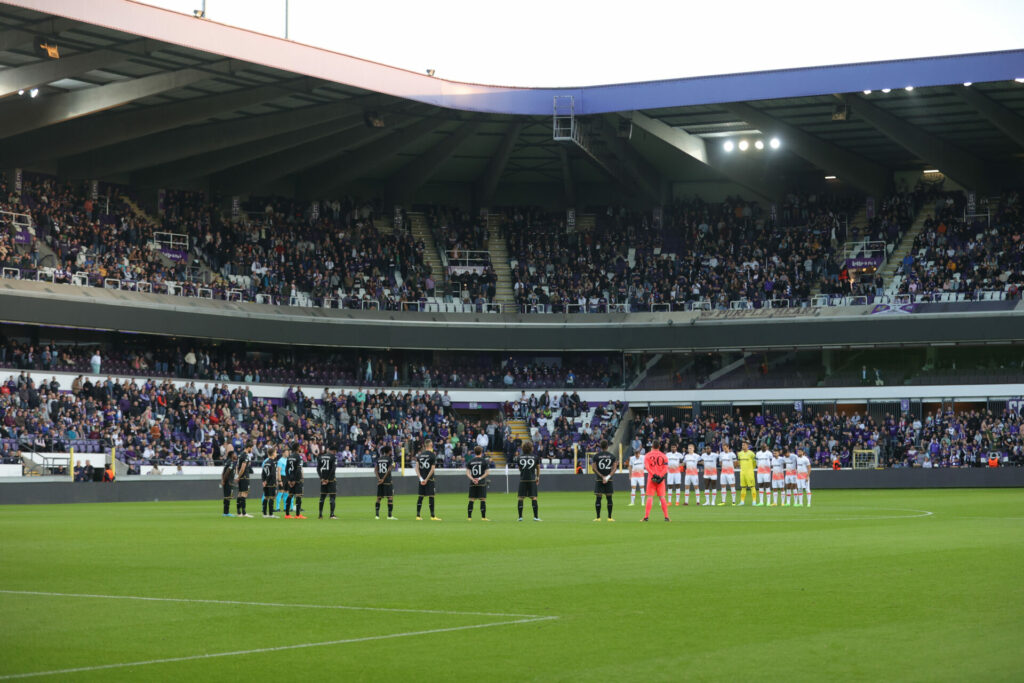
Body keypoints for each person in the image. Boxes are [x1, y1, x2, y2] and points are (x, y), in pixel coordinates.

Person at [642, 439, 670, 522]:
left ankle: (646, 517)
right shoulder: (664, 456)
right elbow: (665, 468)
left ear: (652, 446)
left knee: (650, 497)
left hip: (651, 478)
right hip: (660, 480)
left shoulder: (647, 455)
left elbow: (647, 467)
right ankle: (666, 517)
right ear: (659, 446)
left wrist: (653, 475)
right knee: (662, 497)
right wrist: (660, 476)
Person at [414, 440, 441, 521]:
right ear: (431, 444)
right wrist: (426, 479)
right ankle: (432, 516)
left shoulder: (420, 455)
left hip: (421, 479)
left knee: (420, 496)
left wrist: (421, 478)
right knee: (431, 496)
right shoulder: (432, 455)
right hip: (429, 479)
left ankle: (418, 516)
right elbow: (432, 469)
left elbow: (416, 468)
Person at [515, 441, 541, 522]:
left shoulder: (519, 457)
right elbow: (538, 468)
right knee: (534, 497)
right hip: (532, 479)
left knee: (520, 498)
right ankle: (536, 517)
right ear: (531, 448)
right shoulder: (535, 457)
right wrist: (537, 477)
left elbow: (520, 469)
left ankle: (520, 517)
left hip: (523, 479)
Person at [592, 439, 615, 521]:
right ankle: (610, 517)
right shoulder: (612, 456)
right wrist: (607, 477)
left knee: (598, 498)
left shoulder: (596, 456)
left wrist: (602, 476)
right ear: (607, 446)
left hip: (599, 479)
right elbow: (614, 468)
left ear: (600, 446)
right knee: (609, 498)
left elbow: (593, 468)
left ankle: (598, 517)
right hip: (609, 480)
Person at [465, 445, 490, 521]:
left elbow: (467, 473)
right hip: (481, 482)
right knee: (482, 499)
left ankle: (469, 517)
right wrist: (479, 478)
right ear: (481, 452)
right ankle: (483, 517)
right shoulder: (484, 461)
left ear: (474, 452)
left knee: (471, 499)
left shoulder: (470, 461)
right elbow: (487, 473)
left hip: (473, 483)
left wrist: (473, 479)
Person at [374, 444, 397, 520]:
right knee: (390, 497)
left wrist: (379, 479)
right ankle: (389, 516)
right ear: (389, 451)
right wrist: (383, 478)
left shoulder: (379, 459)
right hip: (387, 481)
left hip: (380, 481)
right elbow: (389, 469)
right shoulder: (390, 459)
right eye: (391, 450)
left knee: (379, 498)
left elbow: (375, 470)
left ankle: (377, 515)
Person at [284, 447, 306, 519]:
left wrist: (289, 480)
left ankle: (287, 514)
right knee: (298, 496)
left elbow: (286, 469)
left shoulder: (289, 457)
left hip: (290, 479)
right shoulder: (299, 457)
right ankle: (298, 515)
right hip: (297, 479)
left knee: (290, 495)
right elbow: (297, 469)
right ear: (297, 449)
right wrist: (294, 480)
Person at [317, 451, 338, 520]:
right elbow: (333, 469)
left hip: (323, 480)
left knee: (322, 498)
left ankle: (320, 515)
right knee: (332, 497)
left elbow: (318, 468)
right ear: (333, 451)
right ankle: (332, 515)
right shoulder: (333, 457)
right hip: (331, 480)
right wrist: (328, 479)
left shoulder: (321, 457)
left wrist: (321, 478)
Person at [737, 440, 756, 506]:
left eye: (744, 445)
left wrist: (751, 469)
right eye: (742, 445)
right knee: (743, 487)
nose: (743, 446)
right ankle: (742, 501)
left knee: (752, 487)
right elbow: (739, 463)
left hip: (749, 473)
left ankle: (754, 501)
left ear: (747, 446)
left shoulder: (751, 453)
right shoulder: (740, 454)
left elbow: (754, 463)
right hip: (742, 473)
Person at [260, 449, 278, 518]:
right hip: (271, 482)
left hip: (266, 483)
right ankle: (271, 514)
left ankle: (264, 514)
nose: (276, 454)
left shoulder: (266, 462)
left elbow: (263, 473)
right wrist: (267, 481)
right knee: (272, 497)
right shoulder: (273, 462)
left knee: (266, 497)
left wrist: (264, 481)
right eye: (275, 452)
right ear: (273, 453)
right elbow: (272, 474)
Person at [235, 448, 252, 517]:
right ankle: (244, 513)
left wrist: (237, 475)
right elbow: (243, 467)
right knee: (244, 493)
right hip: (244, 476)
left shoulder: (240, 455)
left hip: (240, 476)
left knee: (240, 493)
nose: (252, 449)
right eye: (252, 448)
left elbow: (237, 466)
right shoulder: (246, 455)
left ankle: (239, 512)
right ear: (249, 448)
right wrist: (239, 476)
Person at [220, 452, 236, 517]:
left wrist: (222, 480)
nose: (235, 455)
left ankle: (226, 512)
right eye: (234, 454)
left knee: (227, 497)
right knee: (227, 497)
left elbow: (222, 472)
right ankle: (226, 513)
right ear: (232, 455)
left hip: (227, 481)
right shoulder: (231, 463)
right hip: (228, 482)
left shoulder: (228, 462)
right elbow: (227, 472)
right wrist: (224, 480)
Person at [275, 450, 289, 515]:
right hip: (282, 477)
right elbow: (279, 471)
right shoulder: (280, 461)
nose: (288, 453)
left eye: (288, 452)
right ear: (283, 453)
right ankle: (277, 508)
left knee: (286, 492)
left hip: (287, 477)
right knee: (280, 492)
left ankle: (285, 508)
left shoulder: (288, 460)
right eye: (286, 452)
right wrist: (279, 480)